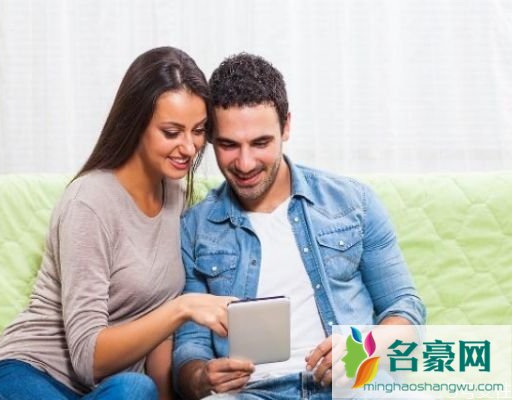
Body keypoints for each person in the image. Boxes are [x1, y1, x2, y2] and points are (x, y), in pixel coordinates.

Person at [0, 46, 236, 400]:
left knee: (136, 388)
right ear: (136, 124)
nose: (189, 148)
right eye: (172, 132)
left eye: (198, 131)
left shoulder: (177, 198)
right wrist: (182, 308)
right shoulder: (89, 202)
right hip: (29, 375)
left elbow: (158, 340)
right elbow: (88, 359)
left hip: (110, 391)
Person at [173, 53, 426, 399]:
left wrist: (362, 348)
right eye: (229, 145)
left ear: (286, 126)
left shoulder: (353, 202)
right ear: (212, 138)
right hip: (251, 393)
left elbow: (406, 310)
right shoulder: (196, 227)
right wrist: (201, 376)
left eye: (261, 143)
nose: (245, 163)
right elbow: (190, 347)